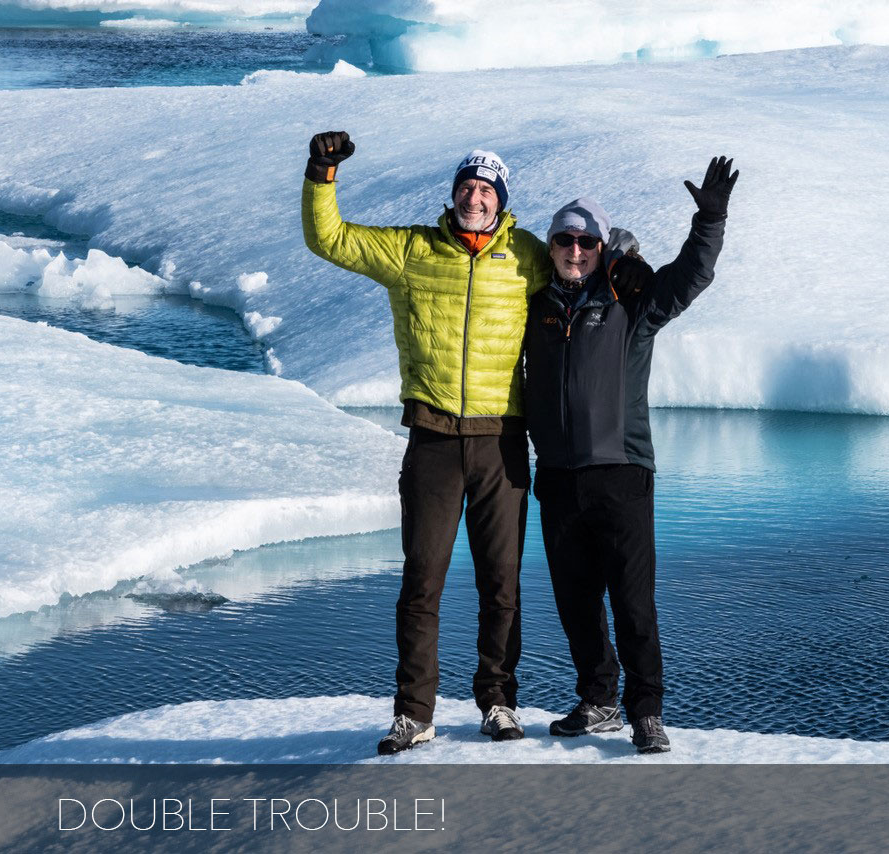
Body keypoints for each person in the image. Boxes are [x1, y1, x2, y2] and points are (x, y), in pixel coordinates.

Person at [300, 130, 648, 755]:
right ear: (454, 193)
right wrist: (321, 176)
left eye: (487, 190)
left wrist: (622, 252)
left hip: (501, 443)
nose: (475, 198)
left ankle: (498, 702)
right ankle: (414, 713)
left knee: (501, 584)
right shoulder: (412, 250)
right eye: (467, 187)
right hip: (433, 438)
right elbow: (330, 239)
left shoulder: (528, 254)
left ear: (501, 200)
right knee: (421, 582)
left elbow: (585, 259)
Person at [524, 157, 737, 754]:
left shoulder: (630, 301)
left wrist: (709, 221)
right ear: (551, 247)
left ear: (601, 247)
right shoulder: (536, 307)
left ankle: (647, 712)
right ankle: (598, 701)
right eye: (564, 240)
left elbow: (689, 278)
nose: (574, 251)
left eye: (585, 241)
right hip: (558, 476)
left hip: (621, 472)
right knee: (576, 602)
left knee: (632, 602)